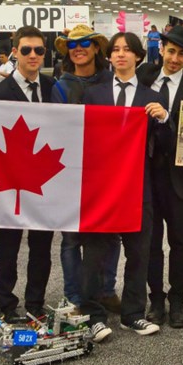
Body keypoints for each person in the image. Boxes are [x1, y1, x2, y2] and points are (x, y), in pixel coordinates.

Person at [78, 31, 170, 339]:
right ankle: (93, 315)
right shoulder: (93, 93)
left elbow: (164, 147)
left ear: (138, 57)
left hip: (137, 185)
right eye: (115, 50)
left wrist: (164, 119)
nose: (120, 54)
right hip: (100, 186)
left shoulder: (151, 97)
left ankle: (132, 313)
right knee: (94, 254)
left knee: (139, 252)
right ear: (109, 56)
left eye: (127, 50)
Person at [0, 25, 66, 320]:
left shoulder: (51, 87)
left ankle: (35, 302)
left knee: (41, 244)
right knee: (8, 243)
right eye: (27, 50)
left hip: (42, 179)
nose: (34, 56)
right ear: (15, 52)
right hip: (9, 182)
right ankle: (6, 304)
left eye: (40, 51)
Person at [137, 25, 183, 328]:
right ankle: (155, 298)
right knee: (151, 242)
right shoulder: (143, 80)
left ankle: (177, 298)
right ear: (162, 50)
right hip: (145, 175)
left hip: (178, 176)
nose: (175, 58)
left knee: (179, 240)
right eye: (171, 51)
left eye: (181, 54)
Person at [52, 24, 125, 316]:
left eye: (84, 43)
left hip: (109, 169)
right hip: (70, 170)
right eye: (72, 45)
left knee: (112, 233)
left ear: (96, 47)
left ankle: (106, 290)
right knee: (71, 237)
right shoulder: (59, 86)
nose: (78, 48)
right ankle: (74, 295)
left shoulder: (114, 81)